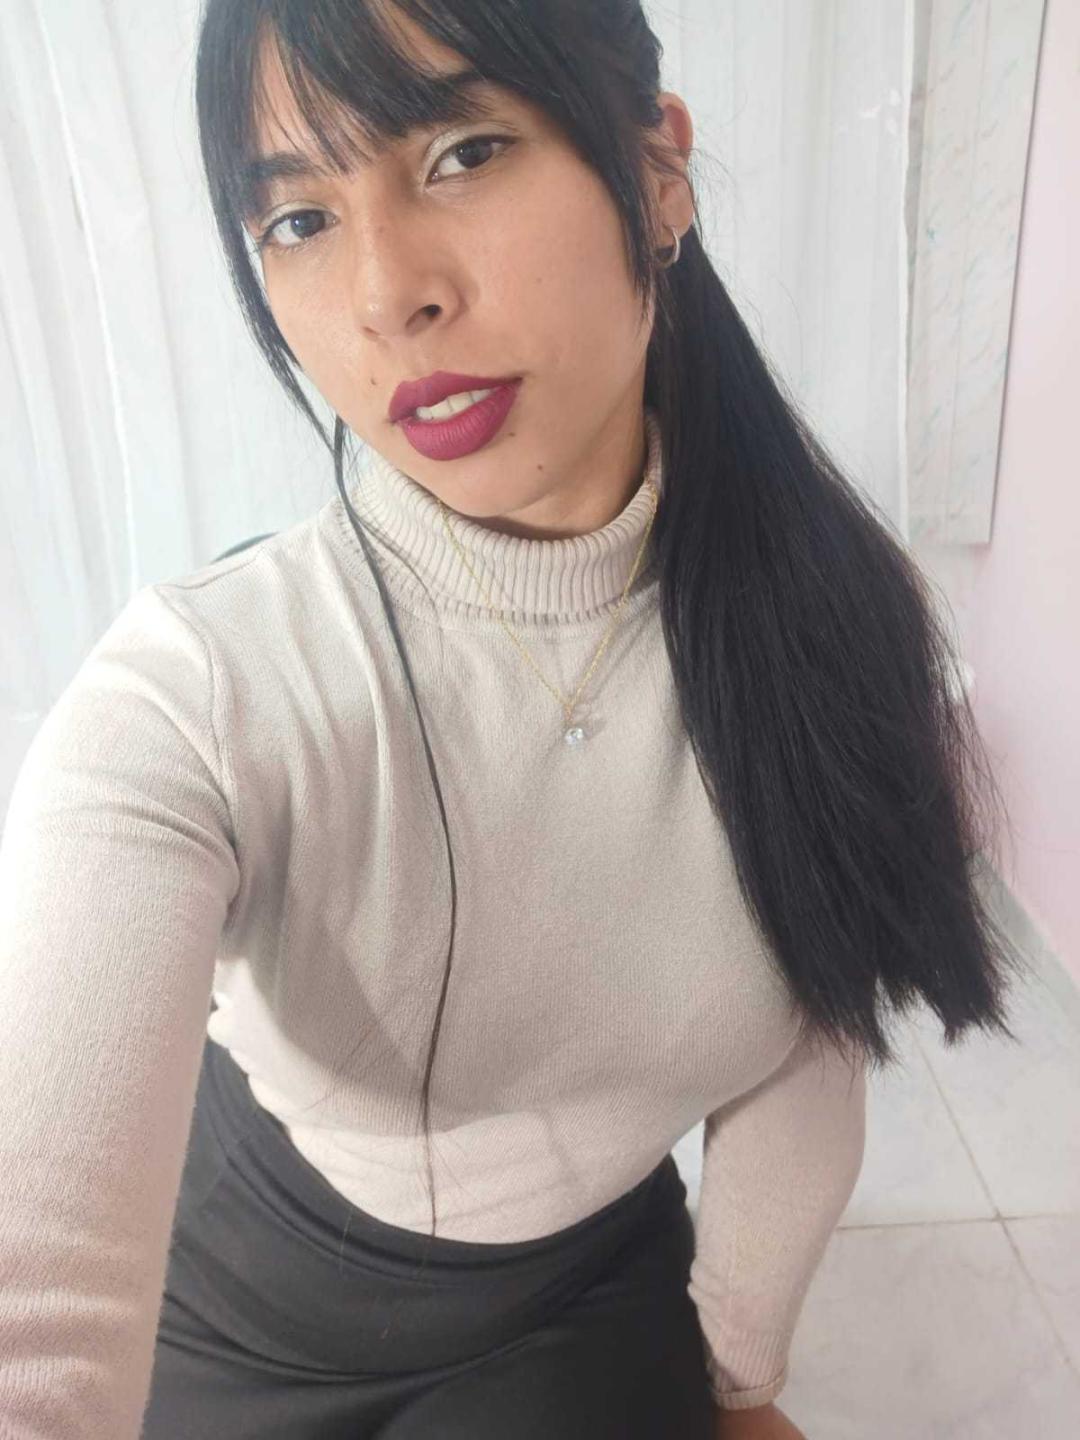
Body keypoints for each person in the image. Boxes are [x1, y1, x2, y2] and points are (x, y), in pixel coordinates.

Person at [0, 2, 1026, 1437]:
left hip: (571, 1295)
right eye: (299, 219)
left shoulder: (831, 629)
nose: (387, 295)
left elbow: (812, 1050)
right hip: (230, 1278)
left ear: (657, 173)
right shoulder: (204, 693)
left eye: (464, 152)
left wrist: (739, 1386)